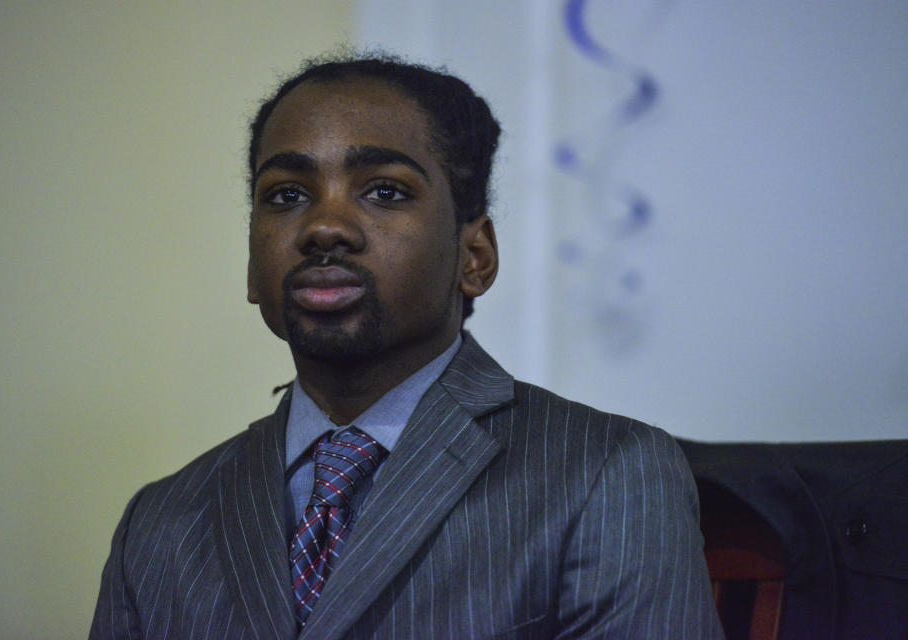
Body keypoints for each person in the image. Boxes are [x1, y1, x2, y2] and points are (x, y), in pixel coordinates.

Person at [90, 54, 723, 639]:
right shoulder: (161, 520)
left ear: (474, 257)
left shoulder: (608, 475)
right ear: (253, 268)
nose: (324, 226)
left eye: (384, 191)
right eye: (286, 196)